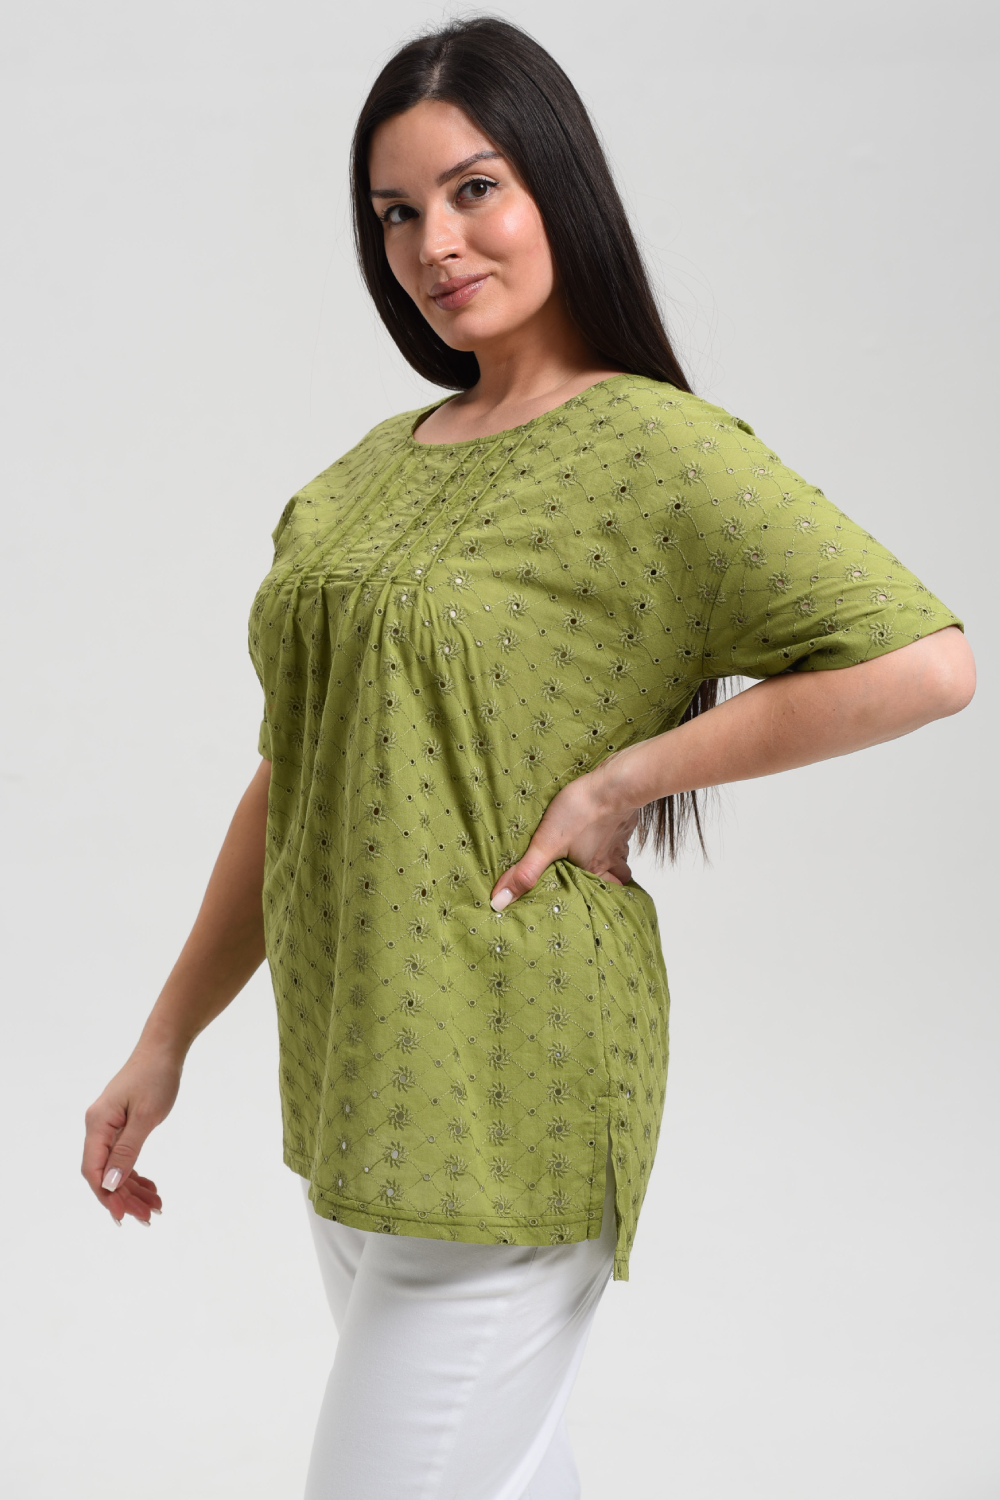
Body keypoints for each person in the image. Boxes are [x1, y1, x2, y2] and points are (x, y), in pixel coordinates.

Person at [80, 16, 975, 1500]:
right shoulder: (362, 476)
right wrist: (166, 1037)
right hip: (356, 1083)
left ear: (558, 183)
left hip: (517, 1080)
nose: (434, 243)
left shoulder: (659, 449)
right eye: (396, 212)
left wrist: (626, 779)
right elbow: (295, 778)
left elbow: (924, 662)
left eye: (474, 188)